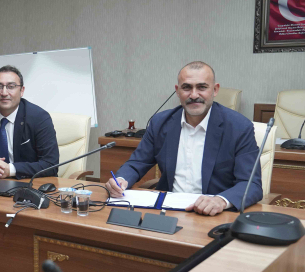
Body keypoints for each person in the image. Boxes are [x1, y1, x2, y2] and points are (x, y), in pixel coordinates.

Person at [107, 61, 262, 216]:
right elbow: (137, 163)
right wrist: (121, 179)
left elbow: (251, 184)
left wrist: (221, 200)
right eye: (187, 88)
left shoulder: (239, 127)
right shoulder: (160, 123)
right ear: (177, 91)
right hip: (167, 212)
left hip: (214, 214)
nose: (194, 95)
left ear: (215, 90)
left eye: (202, 87)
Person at [0, 65, 60, 179]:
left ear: (22, 91)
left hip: (28, 182)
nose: (4, 93)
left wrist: (10, 170)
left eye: (11, 86)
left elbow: (51, 164)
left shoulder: (39, 117)